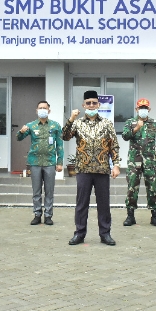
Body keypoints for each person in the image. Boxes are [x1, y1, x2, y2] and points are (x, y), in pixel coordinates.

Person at [62, 90, 121, 246]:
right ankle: (79, 233)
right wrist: (71, 118)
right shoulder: (77, 123)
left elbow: (113, 145)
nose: (91, 105)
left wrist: (116, 164)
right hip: (83, 169)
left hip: (102, 169)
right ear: (83, 105)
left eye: (94, 102)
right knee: (82, 204)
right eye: (88, 103)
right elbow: (65, 136)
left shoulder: (107, 123)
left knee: (104, 204)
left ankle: (105, 234)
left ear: (99, 105)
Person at [121, 98, 156, 227]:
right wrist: (136, 128)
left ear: (149, 109)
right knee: (132, 188)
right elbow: (125, 136)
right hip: (134, 161)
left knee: (152, 188)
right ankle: (130, 216)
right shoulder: (130, 122)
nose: (143, 110)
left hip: (150, 161)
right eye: (141, 108)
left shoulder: (155, 123)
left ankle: (155, 216)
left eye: (145, 108)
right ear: (136, 109)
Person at [17, 100, 64, 226]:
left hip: (49, 162)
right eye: (40, 108)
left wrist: (60, 162)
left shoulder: (55, 126)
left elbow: (59, 145)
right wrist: (21, 131)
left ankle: (48, 215)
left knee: (49, 190)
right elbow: (19, 138)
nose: (42, 110)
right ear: (36, 110)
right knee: (36, 191)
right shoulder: (31, 125)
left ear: (49, 110)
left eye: (45, 108)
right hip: (35, 162)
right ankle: (37, 214)